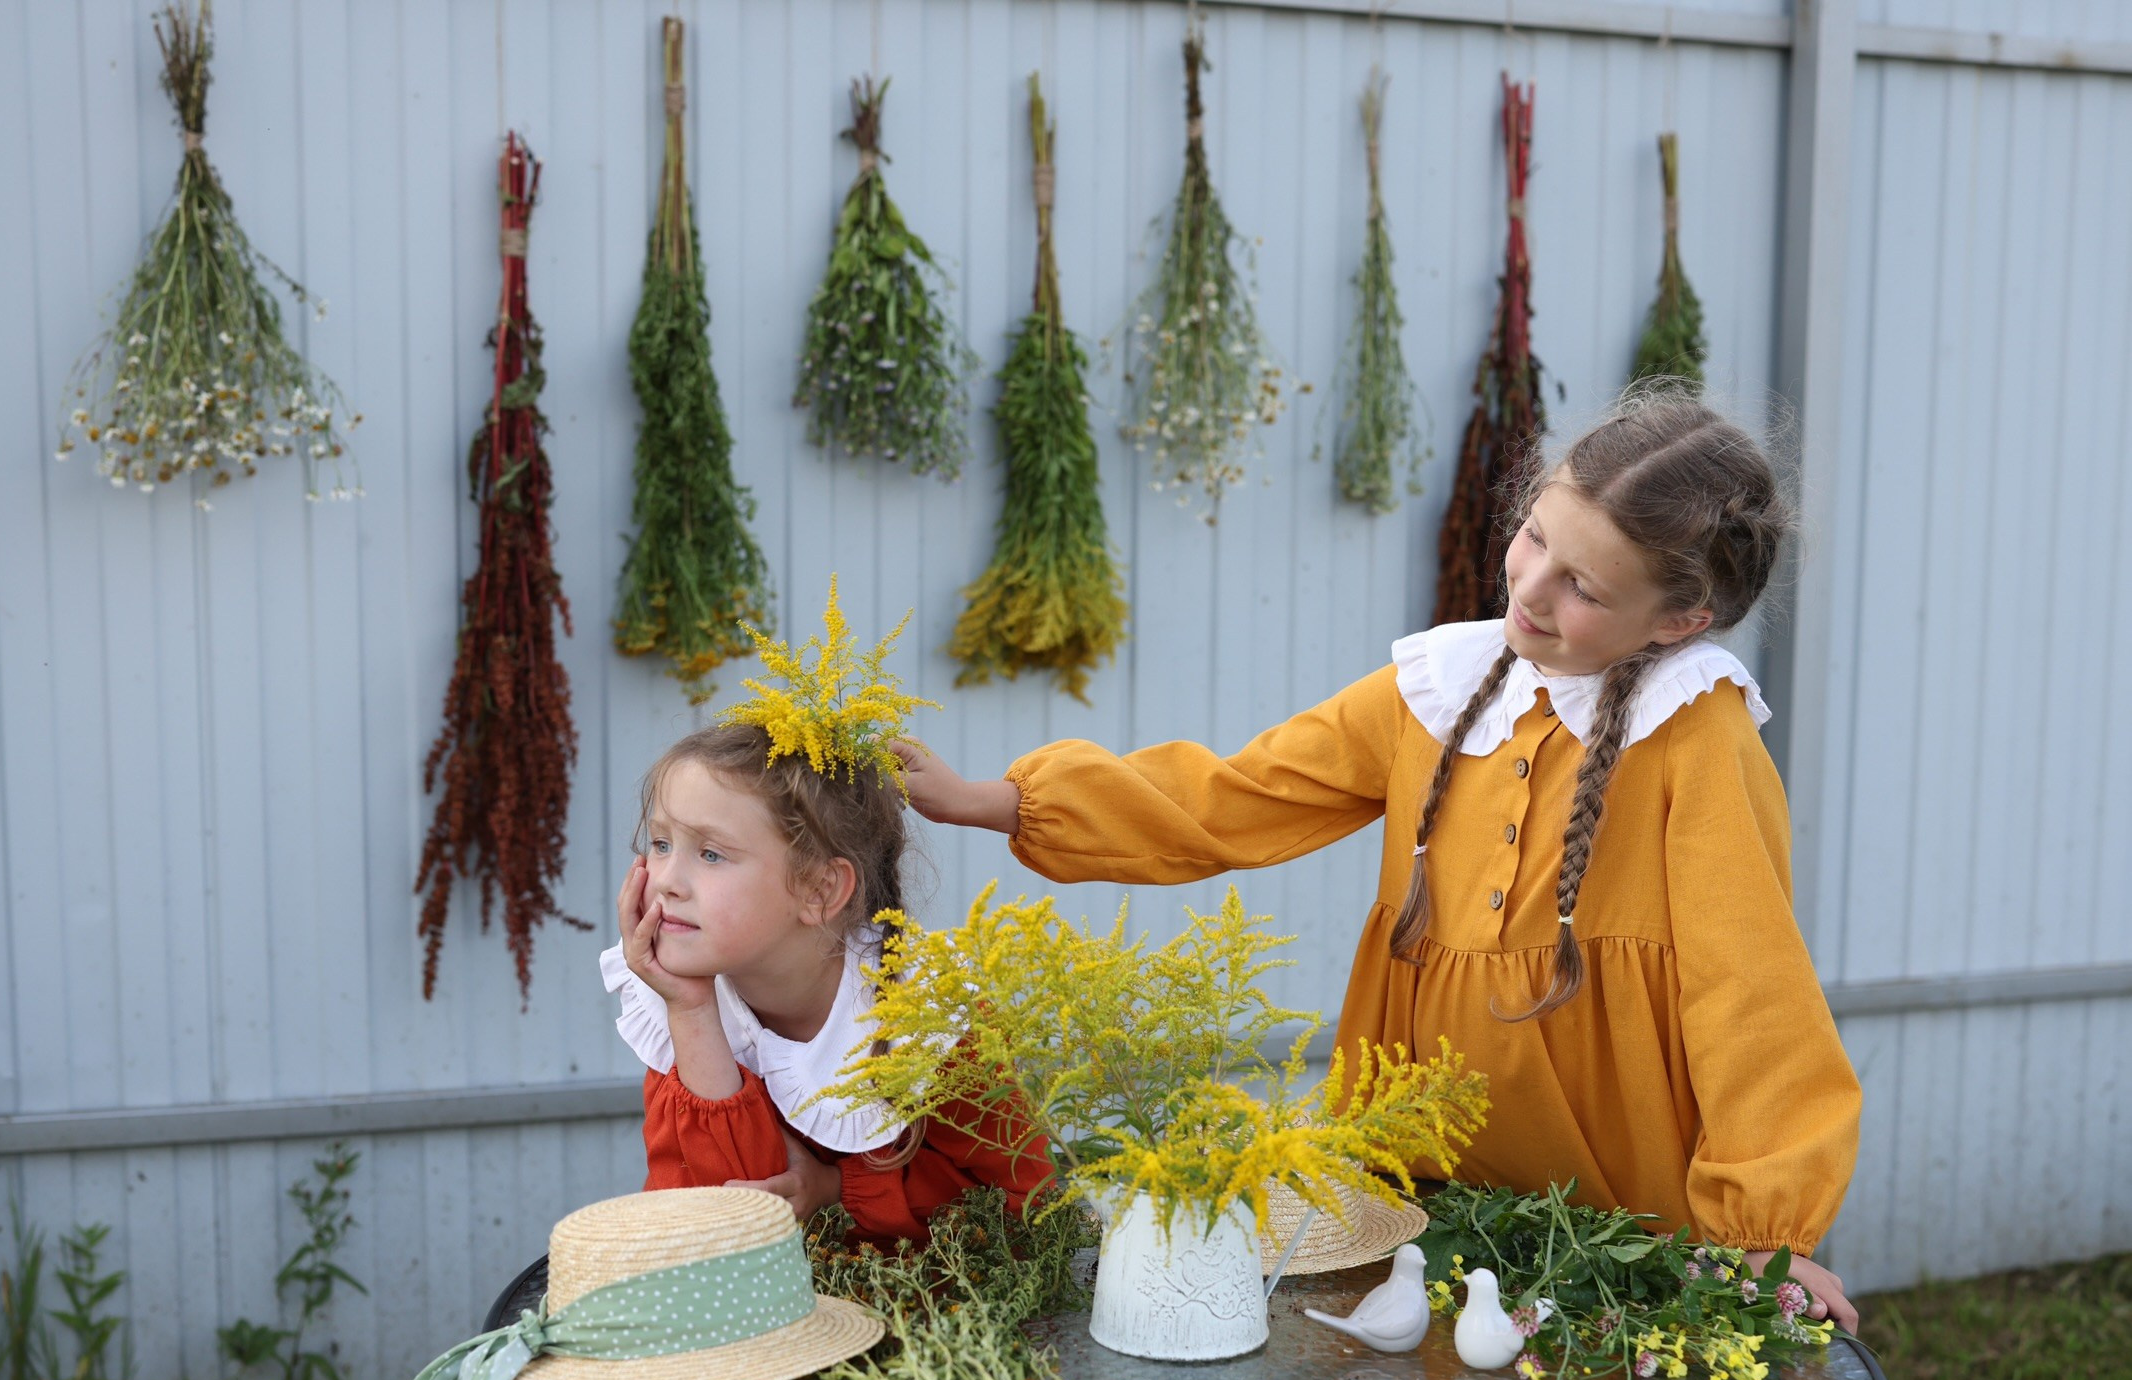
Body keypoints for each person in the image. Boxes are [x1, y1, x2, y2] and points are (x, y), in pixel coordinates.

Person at [895, 388, 1865, 1330]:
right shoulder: (1439, 688)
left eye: (1583, 586)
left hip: (1616, 1206)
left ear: (1677, 620)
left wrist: (1757, 1230)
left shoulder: (1695, 733)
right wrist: (999, 803)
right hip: (1413, 1169)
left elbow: (1751, 991)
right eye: (1533, 538)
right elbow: (1234, 798)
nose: (1527, 588)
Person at [607, 591, 1052, 1246]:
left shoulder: (928, 1015)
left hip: (933, 1318)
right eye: (662, 842)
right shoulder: (680, 1002)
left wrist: (838, 1189)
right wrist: (692, 1012)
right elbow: (712, 1222)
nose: (667, 880)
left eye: (710, 853)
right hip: (775, 1326)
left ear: (819, 890)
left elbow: (1019, 1195)